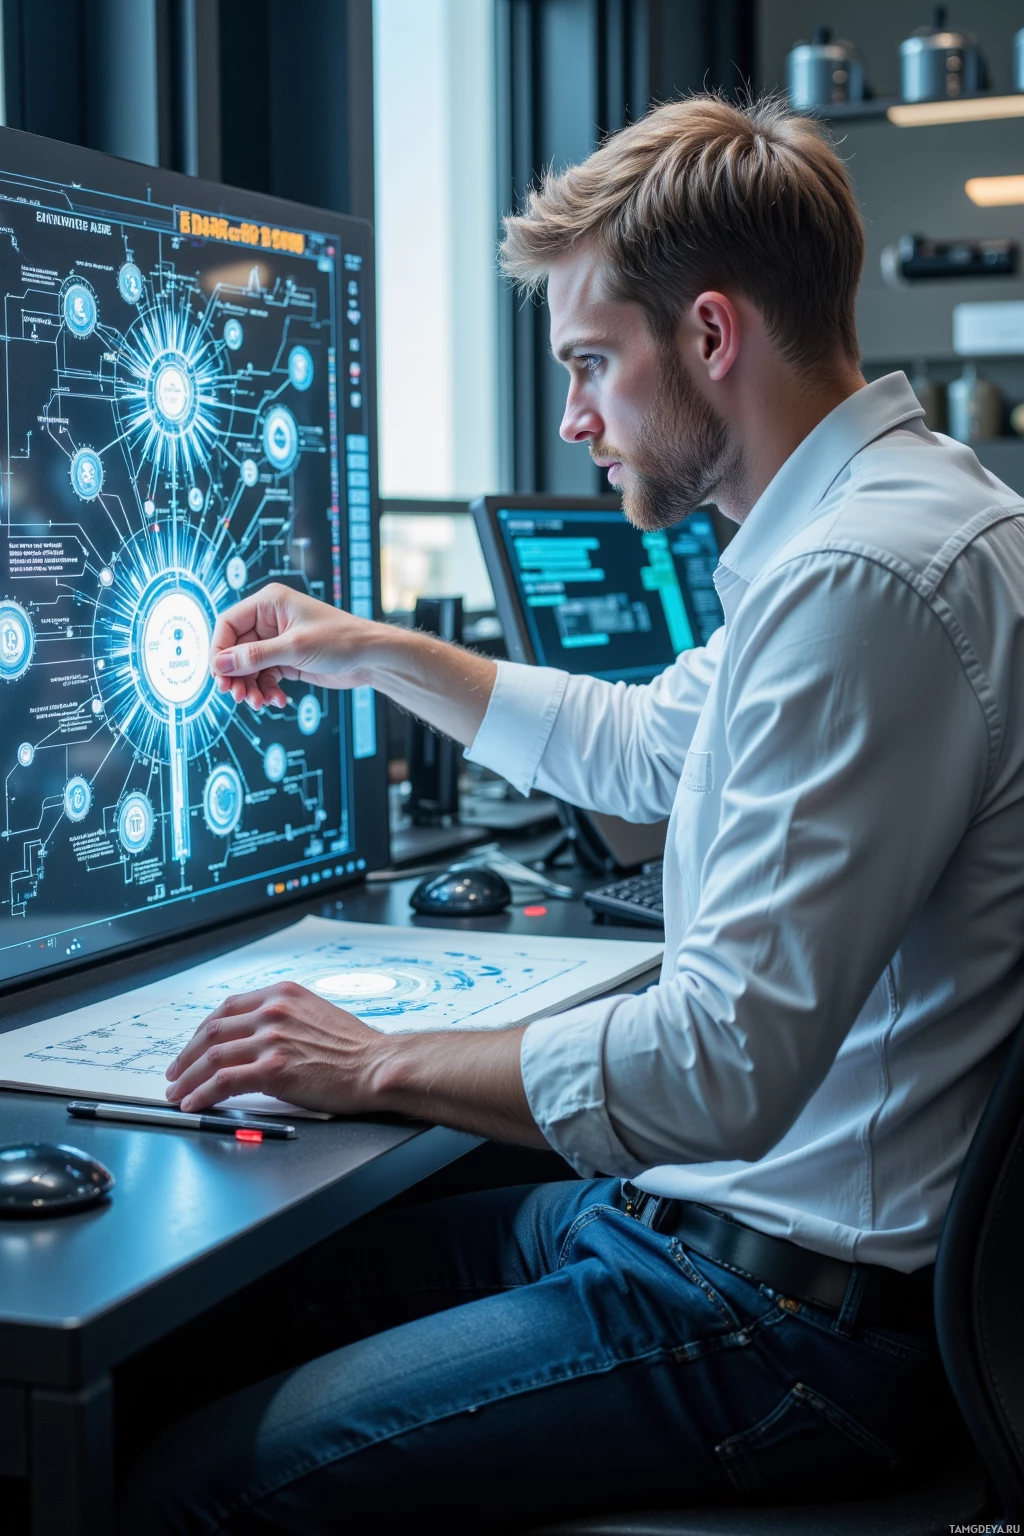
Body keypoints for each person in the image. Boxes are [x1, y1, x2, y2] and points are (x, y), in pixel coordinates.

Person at [122, 92, 1024, 1532]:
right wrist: (364, 648)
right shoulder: (890, 521)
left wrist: (375, 1062)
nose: (575, 417)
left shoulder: (867, 582)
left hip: (781, 1327)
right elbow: (652, 745)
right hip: (701, 1223)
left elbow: (725, 1065)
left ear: (712, 337)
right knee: (234, 1327)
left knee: (189, 1492)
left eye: (594, 362)